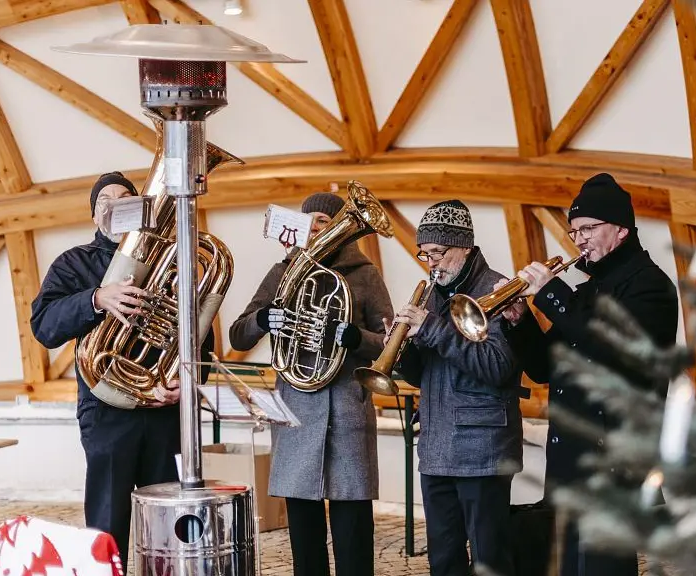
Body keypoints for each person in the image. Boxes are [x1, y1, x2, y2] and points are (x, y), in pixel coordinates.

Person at [30, 171, 217, 572]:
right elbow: (43, 326)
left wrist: (186, 380)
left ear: (142, 207)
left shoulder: (174, 258)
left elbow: (201, 333)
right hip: (106, 412)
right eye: (104, 201)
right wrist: (96, 298)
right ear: (95, 216)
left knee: (170, 526)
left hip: (165, 411)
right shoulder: (74, 263)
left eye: (125, 197)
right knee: (107, 524)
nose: (114, 204)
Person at [499, 173, 680, 576]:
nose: (578, 239)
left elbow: (613, 351)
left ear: (620, 230)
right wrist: (521, 321)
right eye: (573, 231)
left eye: (587, 229)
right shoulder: (586, 292)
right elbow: (544, 367)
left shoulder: (650, 286)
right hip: (570, 461)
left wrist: (551, 293)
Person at [228, 192, 393, 576]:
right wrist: (264, 318)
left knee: (353, 536)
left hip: (347, 412)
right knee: (305, 538)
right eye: (308, 220)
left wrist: (355, 338)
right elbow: (238, 336)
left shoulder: (366, 274)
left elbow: (390, 343)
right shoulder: (282, 271)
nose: (313, 227)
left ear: (339, 226)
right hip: (297, 414)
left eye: (322, 219)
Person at [390, 199, 525, 576]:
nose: (431, 262)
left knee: (489, 559)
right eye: (425, 254)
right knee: (444, 561)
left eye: (438, 252)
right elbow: (423, 376)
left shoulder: (497, 289)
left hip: (483, 450)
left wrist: (432, 330)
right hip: (436, 449)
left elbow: (498, 367)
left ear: (465, 246)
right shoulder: (432, 294)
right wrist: (401, 348)